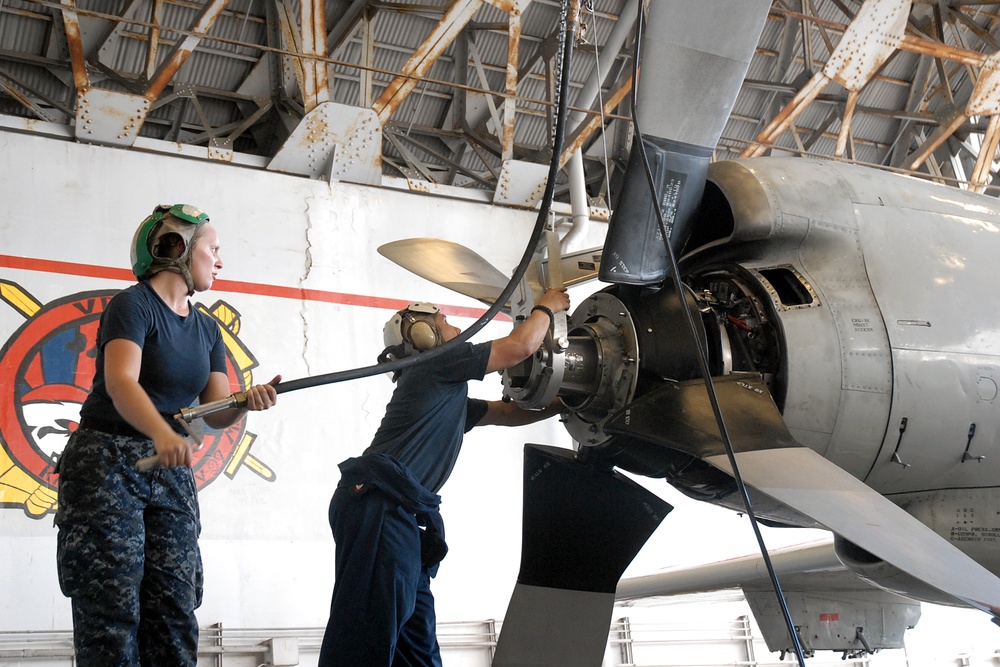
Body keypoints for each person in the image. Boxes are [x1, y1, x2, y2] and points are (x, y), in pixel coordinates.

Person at [54, 203, 281, 666]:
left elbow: (213, 412)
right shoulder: (132, 306)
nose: (220, 261)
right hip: (105, 462)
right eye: (213, 249)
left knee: (175, 602)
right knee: (111, 603)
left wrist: (245, 402)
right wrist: (161, 431)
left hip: (166, 464)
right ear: (176, 249)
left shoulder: (206, 328)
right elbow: (121, 382)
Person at [318, 289, 571, 667]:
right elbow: (520, 346)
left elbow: (508, 413)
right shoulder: (437, 364)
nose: (456, 328)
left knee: (415, 644)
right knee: (366, 637)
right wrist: (547, 307)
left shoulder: (442, 392)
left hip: (397, 514)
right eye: (446, 323)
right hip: (381, 505)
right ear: (423, 335)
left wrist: (568, 402)